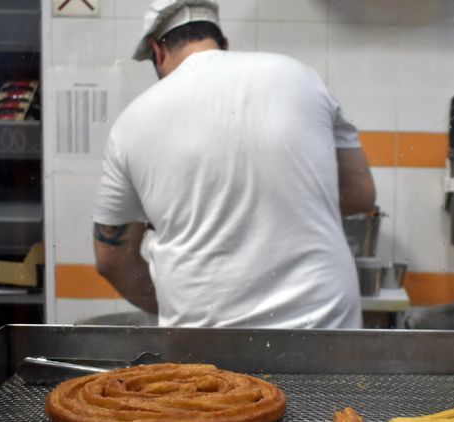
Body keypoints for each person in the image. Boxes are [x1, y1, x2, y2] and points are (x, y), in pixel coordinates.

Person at [92, 0, 376, 329]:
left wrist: (175, 308)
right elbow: (360, 194)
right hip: (324, 327)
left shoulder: (131, 122)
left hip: (205, 342)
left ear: (157, 52)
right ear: (223, 43)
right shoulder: (302, 77)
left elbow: (111, 259)